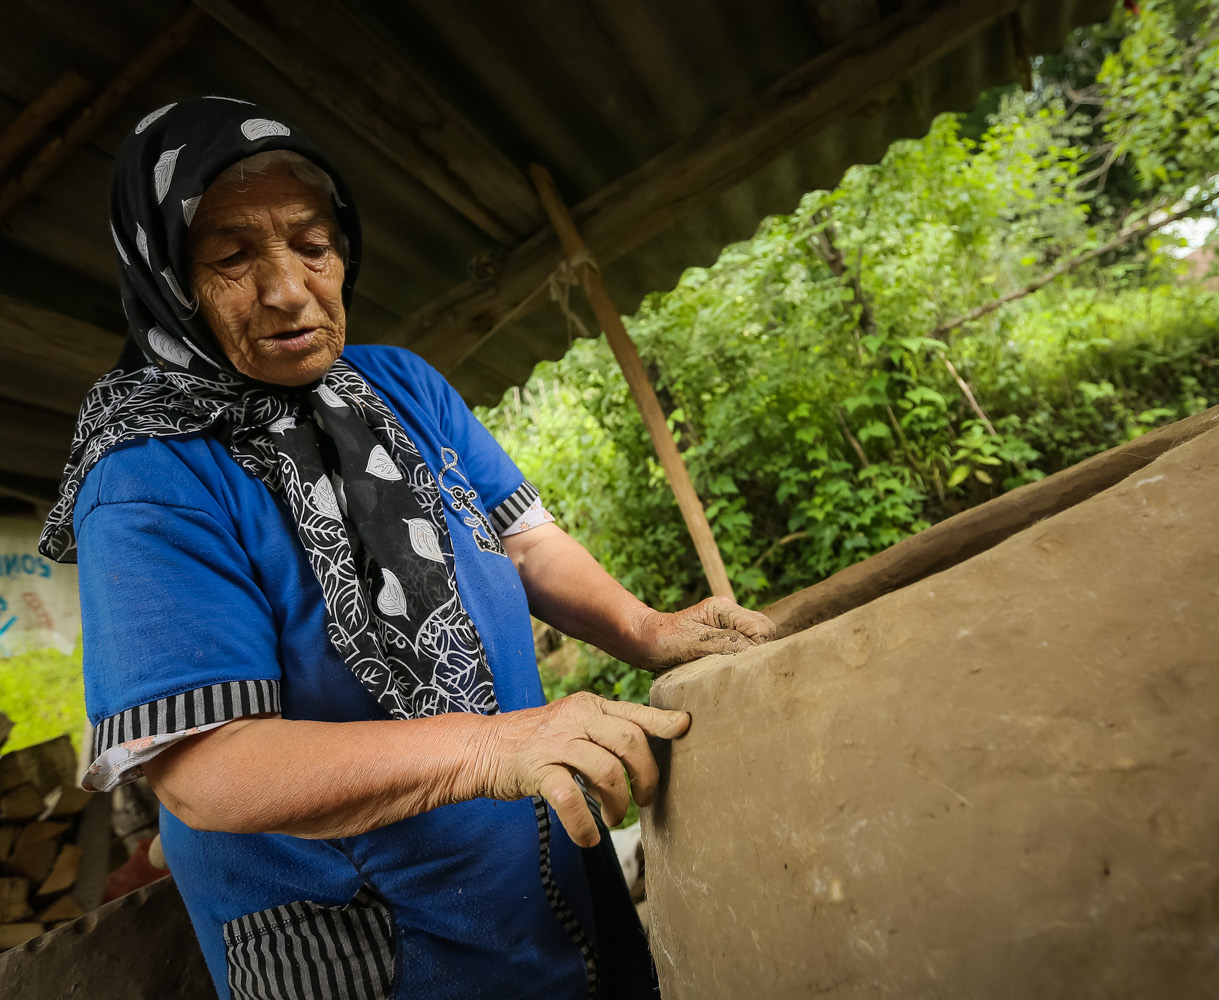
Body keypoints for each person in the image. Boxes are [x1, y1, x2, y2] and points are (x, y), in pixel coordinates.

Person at [40, 97, 775, 1000]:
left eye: (312, 245)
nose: (288, 288)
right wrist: (489, 750)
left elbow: (526, 540)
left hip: (531, 872)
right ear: (165, 277)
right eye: (232, 258)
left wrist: (647, 629)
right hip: (360, 934)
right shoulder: (149, 476)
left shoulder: (398, 385)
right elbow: (205, 770)